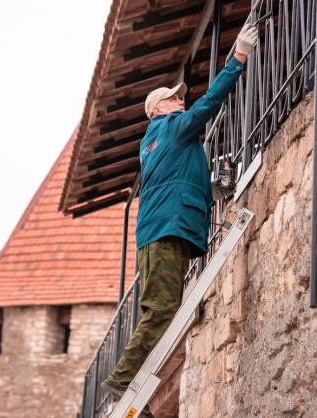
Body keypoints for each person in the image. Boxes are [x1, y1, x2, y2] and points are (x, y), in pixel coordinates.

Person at [100, 23, 258, 407]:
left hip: (158, 230)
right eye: (173, 99)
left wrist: (212, 189)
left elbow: (176, 181)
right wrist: (238, 58)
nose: (180, 102)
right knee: (162, 309)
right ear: (157, 110)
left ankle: (131, 389)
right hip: (168, 228)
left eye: (178, 98)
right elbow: (208, 104)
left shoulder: (152, 143)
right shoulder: (170, 127)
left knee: (160, 309)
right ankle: (121, 379)